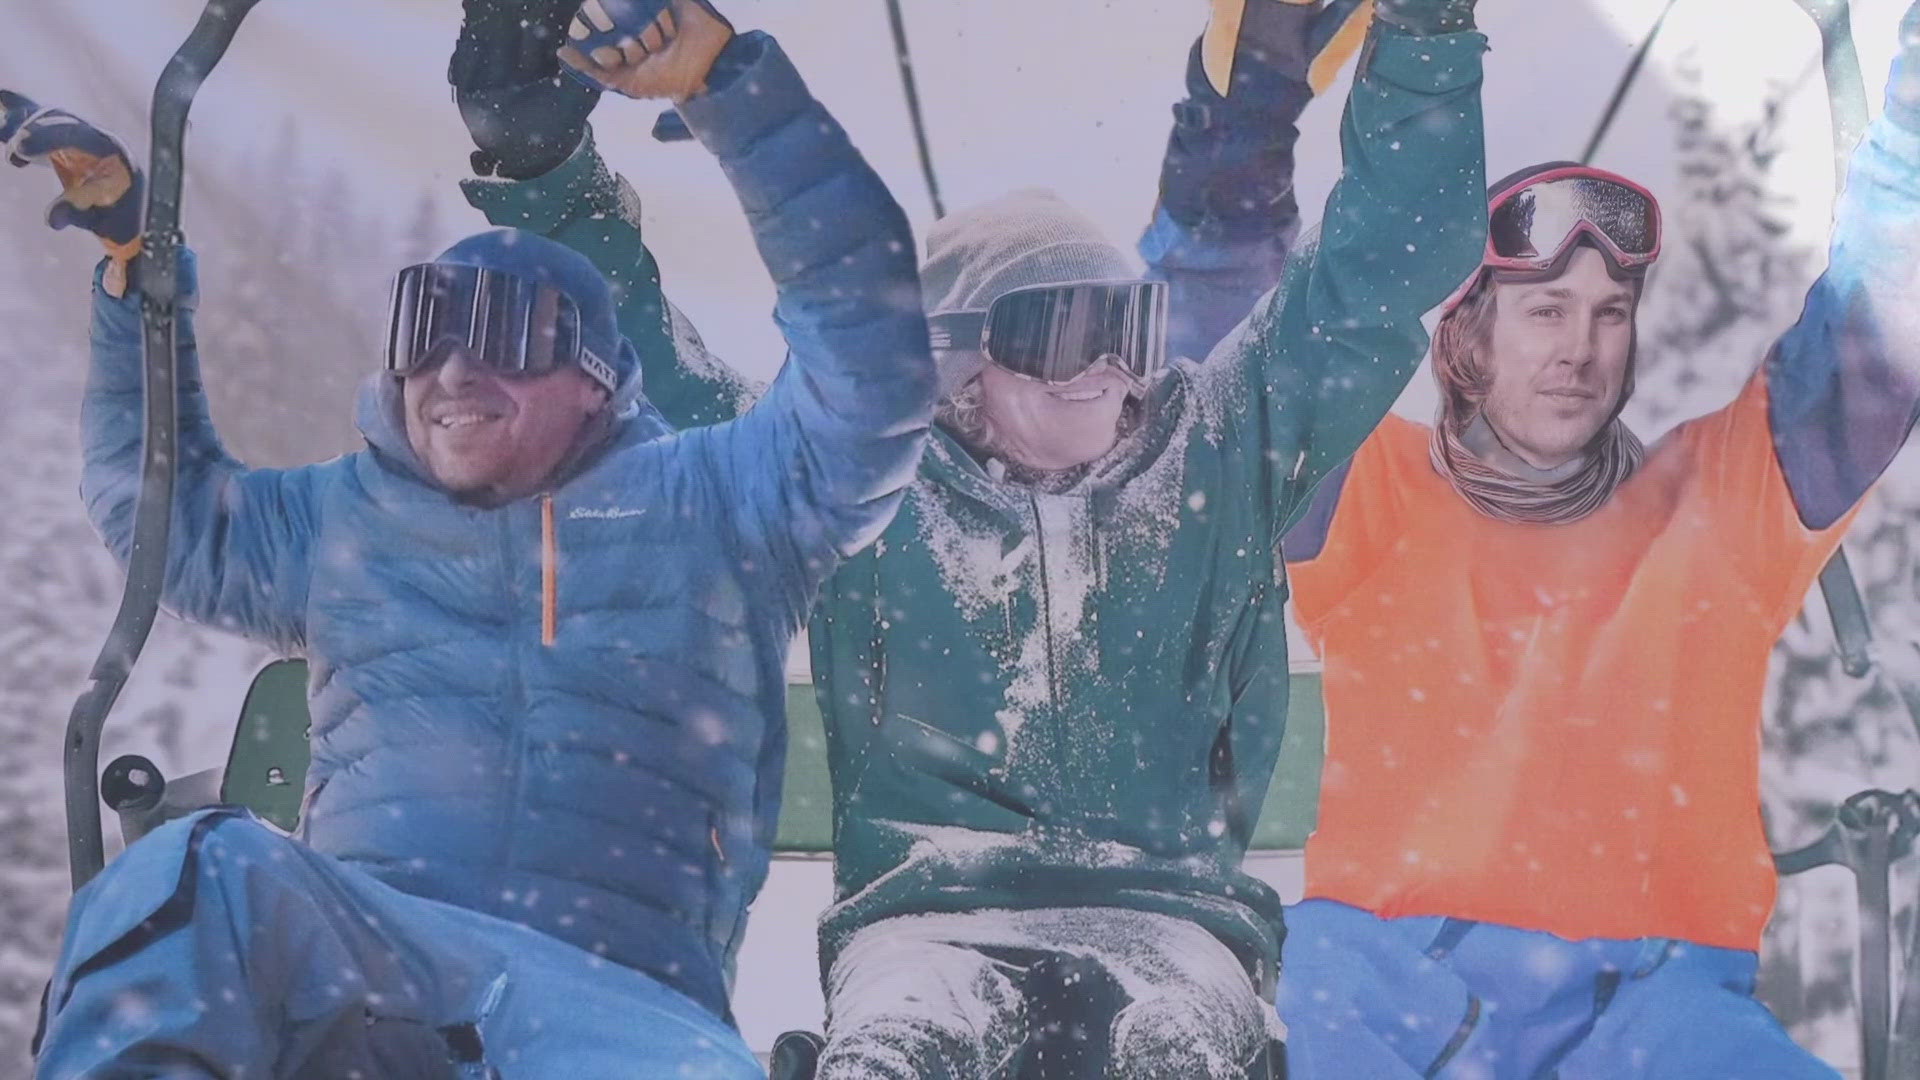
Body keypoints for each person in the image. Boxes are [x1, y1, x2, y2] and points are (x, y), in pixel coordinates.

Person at [460, 0, 1489, 1073]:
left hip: (1175, 920)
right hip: (923, 919)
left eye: (1125, 326)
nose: (1109, 367)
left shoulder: (1221, 451)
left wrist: (1422, 38)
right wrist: (541, 170)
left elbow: (1380, 265)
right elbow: (644, 377)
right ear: (957, 372)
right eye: (1061, 329)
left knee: (1177, 1044)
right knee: (901, 1041)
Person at [11, 1, 934, 1073]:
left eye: (504, 337)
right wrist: (137, 275)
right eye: (424, 330)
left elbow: (873, 373)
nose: (454, 371)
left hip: (619, 1005)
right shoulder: (342, 518)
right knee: (199, 868)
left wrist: (731, 89)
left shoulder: (718, 507)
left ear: (596, 381)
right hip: (380, 963)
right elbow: (151, 507)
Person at [1262, 7, 1920, 1076]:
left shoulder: (1714, 499)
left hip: (1659, 1007)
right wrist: (1267, 106)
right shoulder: (1373, 489)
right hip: (1396, 988)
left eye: (1610, 310)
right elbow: (1279, 347)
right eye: (1544, 309)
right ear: (1466, 335)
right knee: (1310, 989)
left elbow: (1875, 339)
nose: (1581, 347)